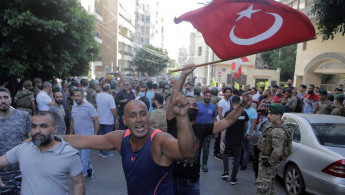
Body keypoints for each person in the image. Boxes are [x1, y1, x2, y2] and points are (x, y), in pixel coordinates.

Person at [62, 86, 196, 194]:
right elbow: (84, 140)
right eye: (133, 115)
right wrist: (54, 138)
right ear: (125, 121)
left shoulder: (159, 139)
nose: (139, 119)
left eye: (143, 114)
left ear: (148, 117)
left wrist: (183, 116)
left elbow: (186, 152)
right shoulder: (121, 138)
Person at [166, 68, 252, 194]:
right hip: (171, 183)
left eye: (194, 105)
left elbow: (227, 121)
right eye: (187, 104)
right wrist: (184, 75)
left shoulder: (202, 128)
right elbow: (174, 98)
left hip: (192, 184)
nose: (191, 107)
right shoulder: (173, 123)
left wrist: (242, 104)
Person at [0, 111, 84, 195]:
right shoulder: (22, 148)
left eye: (43, 126)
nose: (37, 131)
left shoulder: (70, 153)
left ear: (55, 129)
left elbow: (78, 183)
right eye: (34, 126)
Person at [0, 87, 31, 194]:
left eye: (5, 97)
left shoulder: (23, 116)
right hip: (3, 176)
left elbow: (33, 138)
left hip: (23, 172)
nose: (3, 100)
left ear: (11, 99)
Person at [256, 103, 292, 195]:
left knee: (262, 188)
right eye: (268, 113)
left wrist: (269, 162)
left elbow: (277, 150)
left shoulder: (277, 131)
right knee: (270, 187)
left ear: (278, 115)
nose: (268, 116)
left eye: (271, 114)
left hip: (267, 163)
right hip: (265, 160)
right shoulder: (273, 126)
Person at [70, 89, 99, 178]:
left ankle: (81, 178)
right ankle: (90, 168)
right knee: (79, 156)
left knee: (83, 158)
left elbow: (96, 121)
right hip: (77, 137)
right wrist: (71, 134)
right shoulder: (74, 107)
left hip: (87, 137)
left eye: (78, 96)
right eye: (75, 96)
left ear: (83, 96)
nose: (76, 98)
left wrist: (95, 135)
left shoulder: (89, 107)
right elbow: (72, 121)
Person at [220, 95, 249, 185]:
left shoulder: (228, 113)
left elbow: (224, 126)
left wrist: (221, 140)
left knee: (225, 153)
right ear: (239, 102)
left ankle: (226, 172)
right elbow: (246, 125)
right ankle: (233, 178)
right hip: (239, 138)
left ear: (232, 102)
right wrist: (243, 133)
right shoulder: (244, 113)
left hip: (229, 137)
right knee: (237, 158)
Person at [196, 89, 217, 172]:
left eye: (209, 96)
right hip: (198, 130)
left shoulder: (213, 106)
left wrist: (215, 131)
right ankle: (196, 164)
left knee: (206, 148)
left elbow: (214, 119)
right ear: (203, 96)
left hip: (208, 130)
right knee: (197, 148)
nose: (208, 97)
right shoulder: (197, 105)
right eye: (206, 95)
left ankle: (204, 164)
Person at [96, 83, 118, 158]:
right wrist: (116, 118)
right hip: (108, 120)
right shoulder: (110, 97)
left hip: (100, 120)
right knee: (108, 138)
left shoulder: (98, 95)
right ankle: (105, 152)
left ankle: (101, 151)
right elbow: (113, 109)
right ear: (109, 89)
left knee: (101, 136)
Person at [214, 86, 232, 160]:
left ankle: (219, 150)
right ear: (224, 93)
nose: (228, 93)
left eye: (229, 92)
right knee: (219, 137)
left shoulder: (228, 101)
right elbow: (220, 113)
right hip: (221, 121)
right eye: (227, 92)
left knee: (222, 137)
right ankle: (216, 152)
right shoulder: (222, 102)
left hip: (226, 121)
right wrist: (223, 122)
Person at [241, 98, 257, 170]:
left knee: (246, 149)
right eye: (246, 100)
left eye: (248, 101)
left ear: (251, 101)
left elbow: (253, 124)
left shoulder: (253, 111)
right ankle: (240, 161)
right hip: (239, 133)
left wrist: (249, 133)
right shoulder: (241, 109)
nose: (247, 102)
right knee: (240, 148)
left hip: (246, 133)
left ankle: (244, 164)